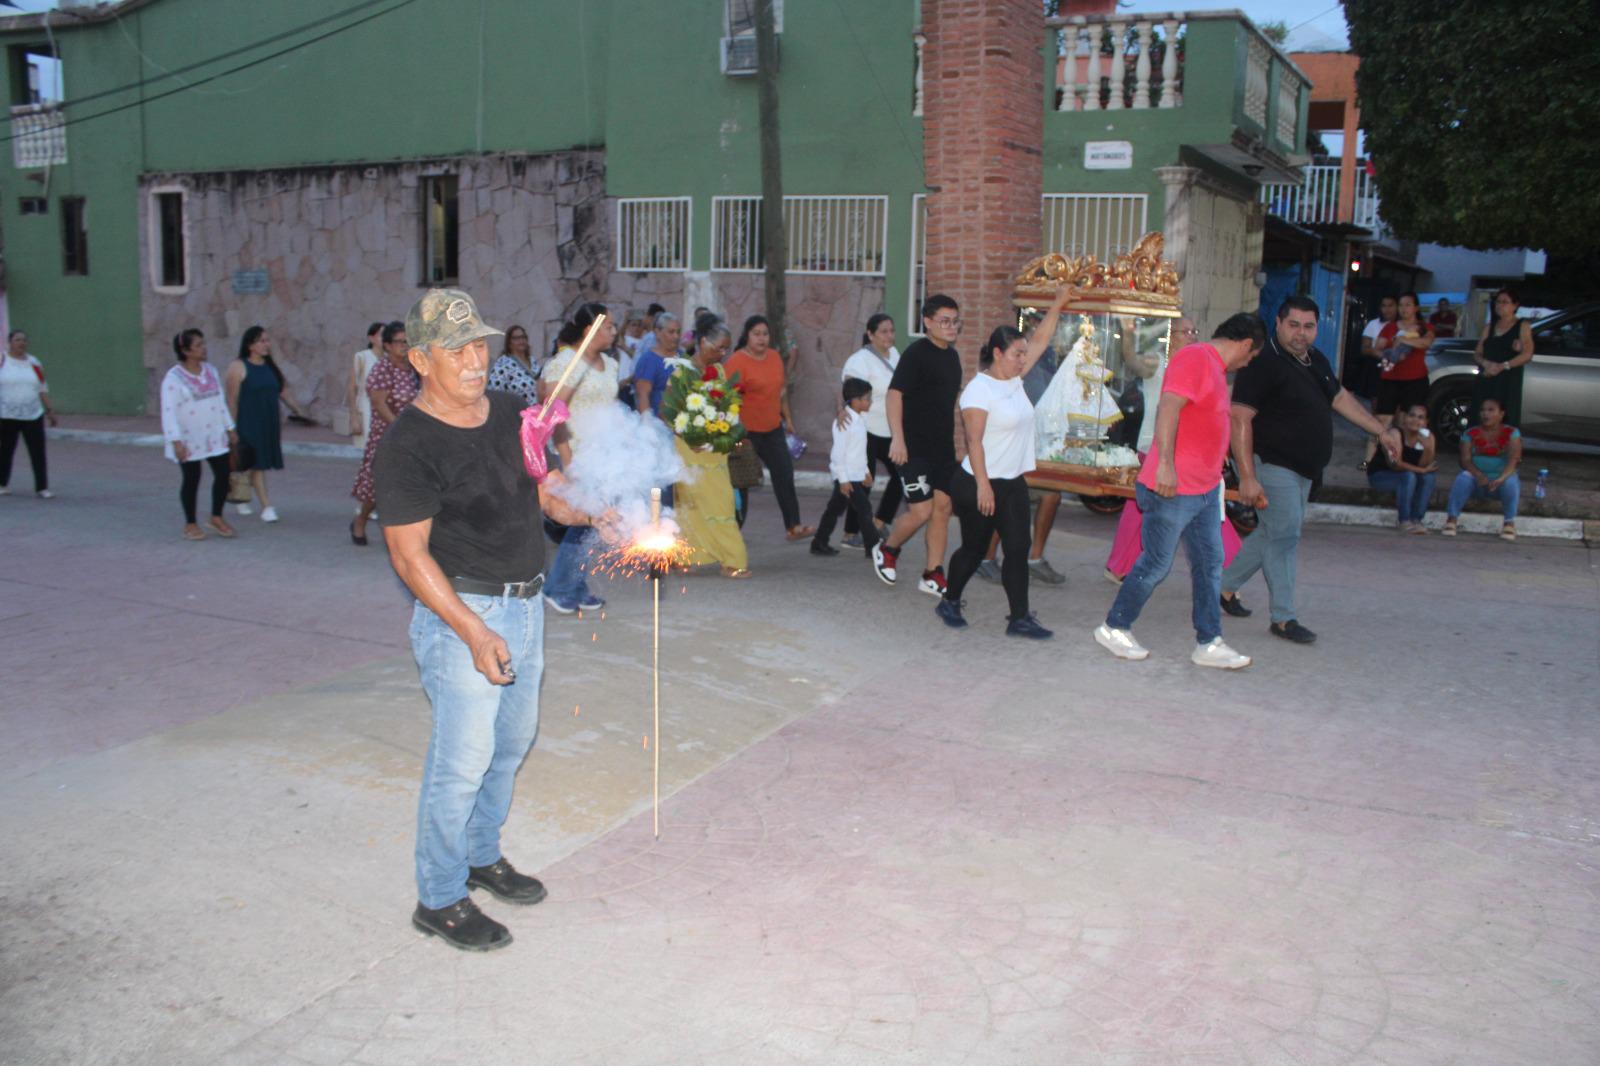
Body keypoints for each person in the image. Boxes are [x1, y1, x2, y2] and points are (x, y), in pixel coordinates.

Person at [374, 287, 611, 952]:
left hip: (526, 601)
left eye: (479, 342)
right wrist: (473, 632)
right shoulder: (409, 444)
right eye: (457, 349)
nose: (475, 358)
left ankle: (482, 855)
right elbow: (407, 553)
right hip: (464, 611)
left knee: (510, 745)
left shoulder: (511, 412)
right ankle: (441, 896)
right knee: (463, 759)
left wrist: (593, 511)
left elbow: (546, 494)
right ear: (421, 358)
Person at [1219, 296, 1397, 645]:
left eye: (1309, 326)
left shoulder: (1315, 360)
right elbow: (1239, 418)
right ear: (1279, 324)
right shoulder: (1263, 362)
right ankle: (1283, 618)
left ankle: (1223, 588)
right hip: (1271, 464)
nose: (1302, 333)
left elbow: (1341, 398)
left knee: (1274, 533)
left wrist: (1381, 431)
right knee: (1285, 537)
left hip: (1305, 468)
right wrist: (1248, 476)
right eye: (1294, 325)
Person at [1094, 314, 1265, 668]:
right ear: (1247, 345)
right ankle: (1114, 626)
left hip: (1202, 490)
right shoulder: (1196, 357)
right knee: (1156, 563)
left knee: (1209, 565)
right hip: (1174, 486)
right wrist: (1166, 466)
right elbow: (1168, 409)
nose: (1247, 364)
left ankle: (1209, 641)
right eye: (1251, 358)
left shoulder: (1213, 367)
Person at [935, 284, 1070, 639]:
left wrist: (1058, 302)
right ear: (998, 353)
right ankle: (949, 599)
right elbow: (974, 443)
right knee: (975, 549)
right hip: (977, 482)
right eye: (1017, 355)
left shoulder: (1013, 380)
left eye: (1024, 355)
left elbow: (1040, 339)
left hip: (1010, 482)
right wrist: (983, 487)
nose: (1024, 360)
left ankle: (1019, 618)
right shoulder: (979, 390)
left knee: (1017, 548)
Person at [1102, 316, 1243, 585]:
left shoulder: (1204, 363)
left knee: (1200, 508)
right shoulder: (1158, 362)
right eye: (1184, 331)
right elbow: (1132, 359)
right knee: (1141, 511)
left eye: (1194, 330)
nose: (1191, 335)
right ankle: (1120, 567)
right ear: (1170, 335)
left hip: (1191, 452)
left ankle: (1231, 569)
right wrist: (1128, 330)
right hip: (1156, 448)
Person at [872, 295, 964, 596]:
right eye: (944, 321)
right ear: (927, 322)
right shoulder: (916, 354)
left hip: (942, 450)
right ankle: (888, 549)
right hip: (913, 448)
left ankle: (932, 572)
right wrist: (898, 439)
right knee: (921, 511)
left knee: (943, 508)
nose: (951, 327)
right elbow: (894, 395)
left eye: (955, 321)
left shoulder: (952, 357)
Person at [540, 304, 619, 614]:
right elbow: (553, 414)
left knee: (597, 520)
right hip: (576, 452)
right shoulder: (567, 363)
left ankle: (575, 584)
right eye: (608, 326)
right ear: (589, 331)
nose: (614, 331)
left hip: (606, 453)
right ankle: (558, 587)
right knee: (583, 520)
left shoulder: (610, 365)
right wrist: (567, 460)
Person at [668, 323, 749, 577]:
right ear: (703, 342)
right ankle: (685, 555)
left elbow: (726, 402)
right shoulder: (682, 371)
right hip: (689, 447)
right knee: (690, 502)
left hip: (714, 448)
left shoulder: (719, 370)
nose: (723, 353)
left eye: (726, 347)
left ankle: (732, 558)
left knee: (722, 502)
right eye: (719, 347)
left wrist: (727, 428)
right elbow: (671, 412)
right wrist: (690, 435)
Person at [725, 315, 814, 540]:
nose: (761, 338)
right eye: (756, 334)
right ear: (747, 336)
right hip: (744, 433)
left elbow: (780, 391)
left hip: (773, 429)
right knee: (741, 481)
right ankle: (732, 533)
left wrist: (789, 419)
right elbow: (726, 399)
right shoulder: (736, 362)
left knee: (784, 473)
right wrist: (731, 431)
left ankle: (793, 526)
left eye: (765, 334)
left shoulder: (774, 358)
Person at [224, 326, 310, 522]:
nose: (266, 344)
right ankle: (266, 507)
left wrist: (298, 410)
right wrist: (232, 428)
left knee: (251, 464)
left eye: (267, 340)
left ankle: (240, 496)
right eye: (261, 341)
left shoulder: (269, 366)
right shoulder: (238, 366)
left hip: (268, 423)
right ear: (250, 344)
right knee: (257, 464)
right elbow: (232, 400)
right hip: (248, 423)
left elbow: (282, 391)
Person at [161, 329, 238, 540]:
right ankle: (190, 523)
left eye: (204, 343)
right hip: (189, 437)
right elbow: (169, 411)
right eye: (198, 345)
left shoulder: (210, 371)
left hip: (214, 433)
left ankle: (216, 516)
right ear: (186, 351)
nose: (204, 348)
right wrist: (175, 441)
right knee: (192, 478)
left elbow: (219, 402)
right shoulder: (173, 379)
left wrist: (229, 428)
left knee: (223, 474)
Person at [351, 321, 420, 545]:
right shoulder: (382, 369)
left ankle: (408, 534)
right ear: (388, 345)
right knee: (377, 488)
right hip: (387, 436)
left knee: (411, 485)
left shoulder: (414, 370)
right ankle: (360, 520)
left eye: (407, 342)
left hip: (414, 436)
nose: (405, 346)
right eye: (400, 342)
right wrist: (401, 428)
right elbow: (380, 405)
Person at [838, 314, 902, 546]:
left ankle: (879, 521)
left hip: (889, 428)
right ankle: (851, 533)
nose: (889, 336)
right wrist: (843, 412)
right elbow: (849, 393)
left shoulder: (895, 355)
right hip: (865, 429)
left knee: (901, 476)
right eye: (884, 331)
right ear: (870, 334)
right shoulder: (859, 361)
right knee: (864, 479)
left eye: (891, 331)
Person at [810, 378, 881, 558]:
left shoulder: (858, 420)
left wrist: (865, 470)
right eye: (867, 398)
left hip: (855, 474)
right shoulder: (845, 422)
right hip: (848, 477)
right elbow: (838, 453)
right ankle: (873, 548)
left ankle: (819, 542)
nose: (870, 401)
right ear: (855, 400)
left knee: (835, 509)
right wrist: (843, 480)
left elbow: (858, 451)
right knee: (864, 510)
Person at [1443, 397, 1522, 541]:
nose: (1485, 414)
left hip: (1500, 479)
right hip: (1477, 479)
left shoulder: (1512, 433)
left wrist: (1501, 478)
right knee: (1463, 477)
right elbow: (1465, 460)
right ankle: (1451, 520)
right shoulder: (1470, 433)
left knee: (1511, 481)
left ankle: (1509, 523)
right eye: (1483, 410)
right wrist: (1478, 474)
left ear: (1501, 414)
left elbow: (1514, 459)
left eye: (1491, 410)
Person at [1371, 291, 1435, 451]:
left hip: (1415, 379)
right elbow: (1377, 348)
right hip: (1390, 378)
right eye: (1401, 305)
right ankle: (1369, 461)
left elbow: (1426, 343)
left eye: (1408, 305)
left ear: (1416, 307)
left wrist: (1403, 339)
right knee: (1381, 421)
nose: (1404, 308)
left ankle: (1401, 459)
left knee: (1406, 423)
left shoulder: (1424, 327)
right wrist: (1387, 356)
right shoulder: (1390, 327)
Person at [0, 330, 58, 498]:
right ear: (10, 342)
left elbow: (42, 387)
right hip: (7, 414)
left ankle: (42, 487)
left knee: (38, 451)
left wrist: (50, 410)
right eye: (17, 340)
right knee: (6, 451)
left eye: (24, 340)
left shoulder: (34, 362)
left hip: (33, 414)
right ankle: (2, 483)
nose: (22, 343)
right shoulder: (3, 360)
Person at [1366, 402, 1437, 533]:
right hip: (1381, 475)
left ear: (1426, 422)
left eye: (1420, 417)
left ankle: (1416, 519)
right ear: (1405, 418)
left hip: (1408, 476)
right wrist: (1421, 470)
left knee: (1429, 477)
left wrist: (1427, 448)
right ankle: (1404, 520)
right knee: (1409, 476)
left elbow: (1425, 466)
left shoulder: (1428, 437)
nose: (1415, 420)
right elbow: (1395, 464)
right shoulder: (1395, 433)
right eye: (1412, 415)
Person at [1472, 287, 1534, 428]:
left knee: (1506, 415)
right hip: (1487, 376)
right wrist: (1485, 363)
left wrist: (1502, 366)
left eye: (1505, 302)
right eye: (1498, 302)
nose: (1500, 305)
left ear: (1515, 305)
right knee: (1481, 413)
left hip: (1508, 379)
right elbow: (1477, 352)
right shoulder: (1489, 326)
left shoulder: (1522, 326)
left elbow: (1527, 354)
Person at [633, 312, 683, 417]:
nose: (676, 336)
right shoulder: (648, 360)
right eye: (671, 332)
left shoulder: (683, 357)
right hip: (658, 423)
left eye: (678, 332)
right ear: (657, 332)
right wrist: (648, 425)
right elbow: (643, 396)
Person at [348, 322, 383, 452]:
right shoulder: (362, 357)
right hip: (366, 407)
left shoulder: (389, 358)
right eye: (381, 335)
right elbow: (352, 387)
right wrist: (354, 416)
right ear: (371, 338)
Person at [487, 324, 540, 405]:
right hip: (517, 413)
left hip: (537, 413)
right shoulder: (503, 364)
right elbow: (494, 391)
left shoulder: (532, 361)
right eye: (516, 338)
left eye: (523, 337)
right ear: (509, 343)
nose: (521, 341)